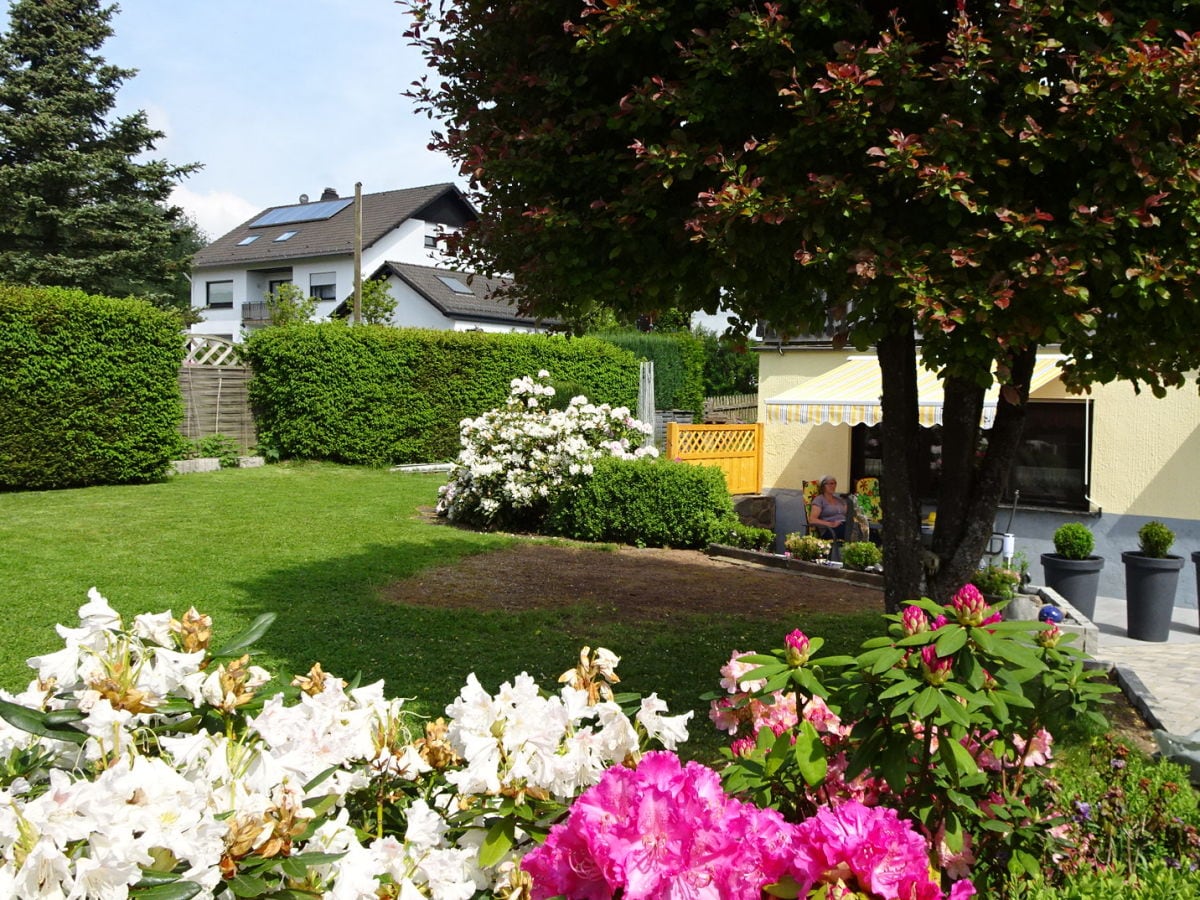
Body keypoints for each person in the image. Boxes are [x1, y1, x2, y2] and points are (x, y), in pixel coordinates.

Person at [809, 475, 848, 540]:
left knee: (867, 530)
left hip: (844, 526)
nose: (833, 486)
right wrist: (830, 524)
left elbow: (847, 515)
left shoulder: (839, 500)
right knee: (853, 532)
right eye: (830, 483)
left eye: (835, 483)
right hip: (830, 530)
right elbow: (812, 520)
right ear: (823, 486)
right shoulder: (819, 500)